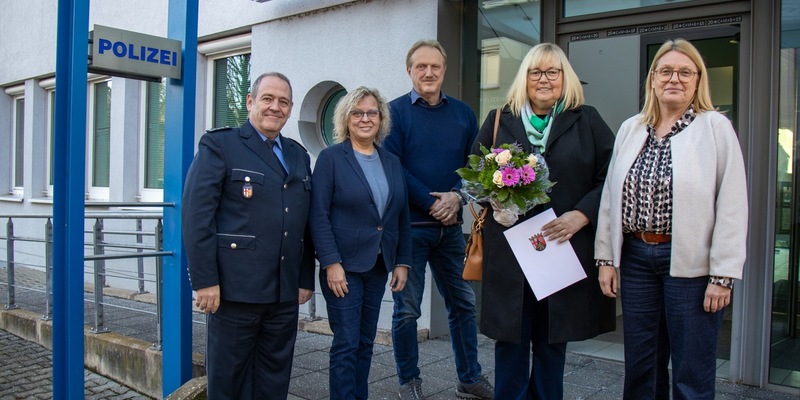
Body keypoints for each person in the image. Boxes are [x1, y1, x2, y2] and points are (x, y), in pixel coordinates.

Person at [595, 38, 748, 400]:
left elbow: (732, 204)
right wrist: (606, 259)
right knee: (641, 367)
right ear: (652, 79)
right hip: (635, 259)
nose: (674, 79)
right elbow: (610, 198)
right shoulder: (632, 128)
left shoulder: (714, 128)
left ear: (698, 80)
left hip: (691, 267)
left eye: (684, 72)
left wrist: (722, 276)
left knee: (691, 370)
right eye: (666, 71)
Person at [474, 43, 616, 399]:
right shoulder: (497, 120)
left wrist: (582, 214)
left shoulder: (587, 120)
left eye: (553, 72)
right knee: (511, 342)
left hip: (560, 249)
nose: (544, 79)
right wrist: (495, 199)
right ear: (524, 78)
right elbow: (474, 178)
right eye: (535, 72)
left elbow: (612, 177)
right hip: (510, 255)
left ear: (564, 78)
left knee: (553, 344)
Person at [182, 72, 315, 400]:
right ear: (250, 102)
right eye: (267, 99)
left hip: (283, 293)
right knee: (229, 381)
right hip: (234, 291)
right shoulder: (220, 144)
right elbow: (197, 217)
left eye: (283, 101)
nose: (275, 107)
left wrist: (304, 277)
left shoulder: (299, 155)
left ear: (291, 108)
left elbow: (304, 222)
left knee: (274, 379)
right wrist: (204, 281)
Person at [383, 39, 493, 400]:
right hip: (410, 231)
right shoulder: (394, 113)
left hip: (450, 231)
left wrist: (457, 196)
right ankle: (409, 381)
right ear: (409, 70)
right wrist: (432, 203)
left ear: (444, 70)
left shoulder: (463, 114)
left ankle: (469, 379)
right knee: (407, 312)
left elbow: (475, 166)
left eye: (435, 66)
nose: (429, 73)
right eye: (421, 66)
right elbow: (393, 167)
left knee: (463, 305)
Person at [310, 87, 412, 400]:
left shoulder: (392, 162)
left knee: (366, 341)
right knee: (346, 342)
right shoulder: (331, 159)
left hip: (379, 264)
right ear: (346, 119)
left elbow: (400, 216)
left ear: (381, 119)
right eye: (357, 113)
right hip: (343, 268)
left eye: (371, 112)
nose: (365, 118)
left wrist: (403, 262)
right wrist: (331, 263)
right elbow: (318, 215)